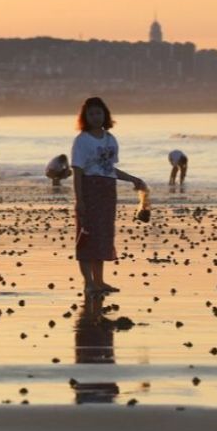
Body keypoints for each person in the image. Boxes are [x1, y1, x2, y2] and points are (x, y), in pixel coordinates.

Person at [71, 96, 146, 300]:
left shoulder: (110, 139)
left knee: (103, 236)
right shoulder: (82, 140)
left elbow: (110, 169)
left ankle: (100, 280)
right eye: (92, 113)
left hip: (107, 190)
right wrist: (80, 200)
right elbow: (77, 171)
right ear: (85, 117)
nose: (96, 117)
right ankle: (89, 283)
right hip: (89, 188)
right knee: (86, 236)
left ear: (105, 115)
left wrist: (132, 179)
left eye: (99, 113)